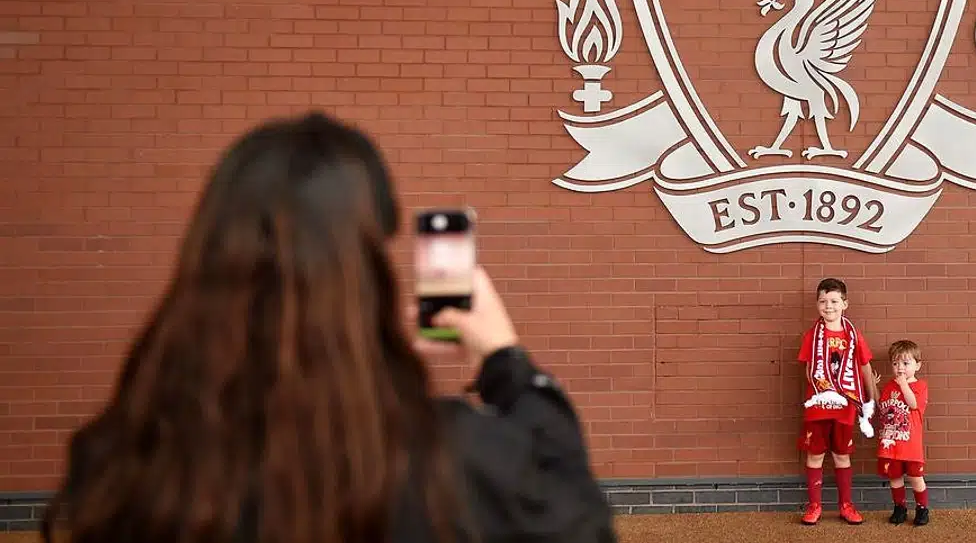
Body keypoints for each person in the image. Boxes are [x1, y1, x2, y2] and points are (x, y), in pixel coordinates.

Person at [41, 111, 617, 543]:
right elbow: (579, 521)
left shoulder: (125, 466)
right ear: (365, 272)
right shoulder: (452, 465)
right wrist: (504, 360)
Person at [796, 277, 879, 525]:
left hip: (845, 407)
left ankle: (846, 505)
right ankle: (814, 506)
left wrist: (872, 398)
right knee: (815, 455)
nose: (828, 306)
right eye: (823, 301)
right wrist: (826, 388)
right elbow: (809, 370)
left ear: (845, 304)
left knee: (842, 455)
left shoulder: (853, 335)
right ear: (817, 305)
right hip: (818, 406)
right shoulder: (812, 336)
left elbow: (865, 366)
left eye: (834, 301)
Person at [877, 339, 930, 526]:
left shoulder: (920, 386)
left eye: (905, 363)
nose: (900, 368)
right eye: (895, 363)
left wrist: (903, 385)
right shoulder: (889, 386)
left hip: (910, 445)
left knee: (916, 478)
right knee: (895, 478)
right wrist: (874, 387)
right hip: (891, 443)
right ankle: (899, 507)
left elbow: (913, 403)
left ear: (917, 365)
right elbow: (882, 407)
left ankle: (922, 509)